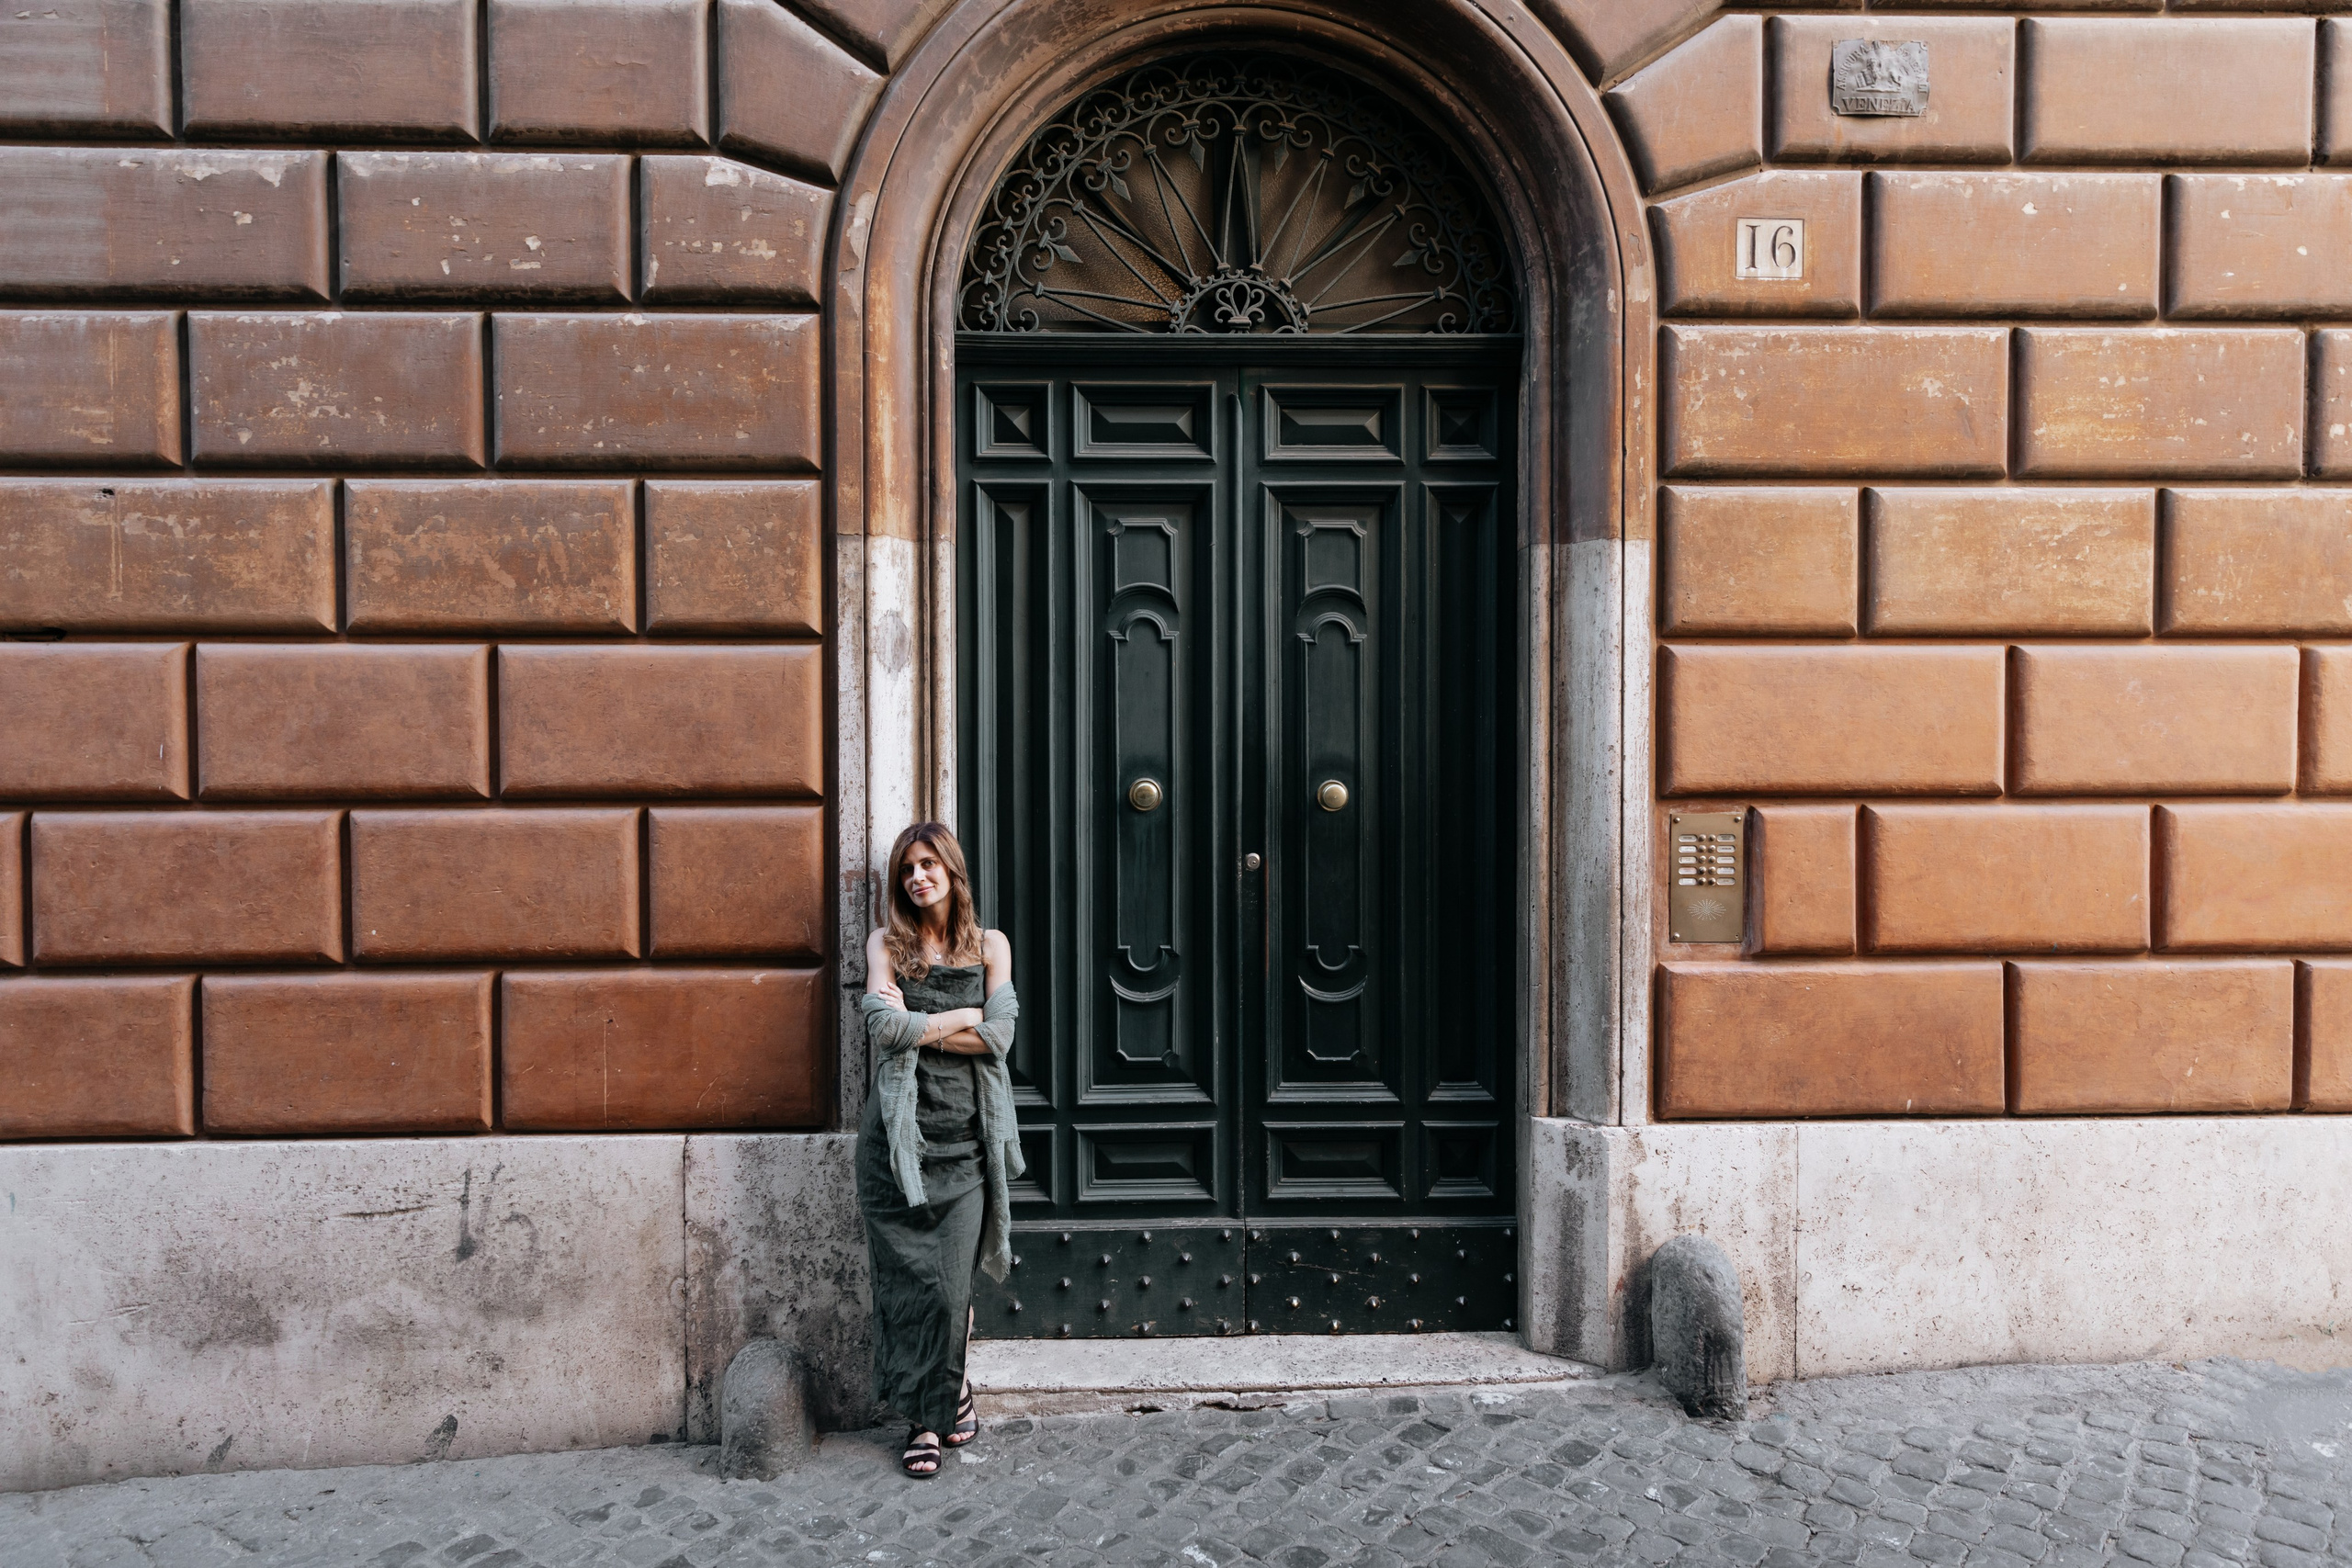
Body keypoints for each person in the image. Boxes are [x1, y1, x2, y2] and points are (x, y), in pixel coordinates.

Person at [855, 822, 1023, 1477]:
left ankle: (948, 1390)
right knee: (908, 1289)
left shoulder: (990, 945)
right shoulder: (886, 945)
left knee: (951, 1292)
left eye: (928, 864)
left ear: (952, 871)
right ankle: (926, 1419)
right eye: (906, 868)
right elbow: (883, 1028)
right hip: (897, 1149)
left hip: (967, 1145)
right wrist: (961, 1017)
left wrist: (919, 1026)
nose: (917, 877)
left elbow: (1001, 1036)